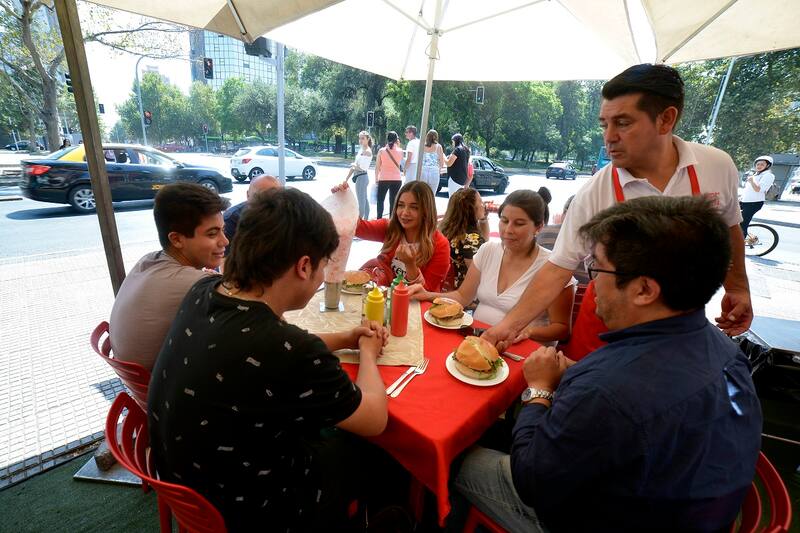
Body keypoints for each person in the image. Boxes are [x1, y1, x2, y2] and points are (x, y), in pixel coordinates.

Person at [452, 196, 762, 533]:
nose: (591, 282)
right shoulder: (729, 354)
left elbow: (531, 480)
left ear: (644, 289)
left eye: (596, 268)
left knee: (459, 458)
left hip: (599, 517)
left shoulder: (607, 391)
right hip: (695, 509)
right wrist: (577, 378)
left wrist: (539, 391)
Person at [149, 188, 389, 532]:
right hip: (249, 509)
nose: (323, 275)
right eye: (324, 265)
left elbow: (270, 350)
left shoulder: (204, 290)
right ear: (304, 266)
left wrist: (344, 338)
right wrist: (366, 353)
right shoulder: (287, 347)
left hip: (185, 489)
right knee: (368, 450)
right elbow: (374, 418)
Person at [483, 63, 753, 356]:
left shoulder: (717, 165)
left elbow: (729, 227)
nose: (609, 137)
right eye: (604, 124)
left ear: (666, 119)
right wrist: (506, 327)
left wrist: (737, 288)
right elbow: (557, 269)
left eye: (623, 123)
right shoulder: (595, 191)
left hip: (680, 325)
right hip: (607, 321)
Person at [413, 189, 573, 345]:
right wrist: (427, 294)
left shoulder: (553, 267)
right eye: (504, 221)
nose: (508, 230)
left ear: (538, 227)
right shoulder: (488, 250)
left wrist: (526, 332)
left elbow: (562, 328)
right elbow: (462, 296)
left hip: (523, 349)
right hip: (478, 341)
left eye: (519, 224)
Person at [109, 183, 230, 370]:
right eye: (212, 233)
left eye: (223, 229)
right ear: (177, 239)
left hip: (139, 384)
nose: (225, 241)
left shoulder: (148, 261)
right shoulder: (197, 284)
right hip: (166, 392)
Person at [437, 188, 489, 289]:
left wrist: (483, 219)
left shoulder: (446, 230)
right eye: (480, 201)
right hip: (464, 294)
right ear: (471, 208)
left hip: (445, 287)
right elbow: (476, 273)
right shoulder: (471, 238)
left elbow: (484, 242)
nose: (484, 205)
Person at [536, 195, 589, 285]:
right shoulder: (593, 239)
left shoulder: (542, 231)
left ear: (564, 214)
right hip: (582, 291)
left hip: (541, 285)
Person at [222, 174, 281, 255]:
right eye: (261, 197)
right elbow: (225, 262)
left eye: (275, 196)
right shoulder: (231, 220)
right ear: (248, 195)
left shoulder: (287, 215)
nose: (268, 202)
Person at [740, 155, 775, 239]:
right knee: (730, 216)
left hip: (754, 204)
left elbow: (758, 189)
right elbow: (748, 190)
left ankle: (738, 245)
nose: (759, 166)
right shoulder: (756, 175)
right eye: (757, 164)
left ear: (767, 166)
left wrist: (751, 181)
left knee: (743, 224)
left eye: (762, 164)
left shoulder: (768, 175)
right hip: (744, 201)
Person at [343, 131, 373, 219]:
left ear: (368, 139)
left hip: (362, 177)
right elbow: (355, 166)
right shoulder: (361, 150)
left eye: (363, 138)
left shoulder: (367, 151)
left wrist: (354, 165)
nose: (360, 140)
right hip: (361, 177)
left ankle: (360, 223)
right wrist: (346, 178)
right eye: (359, 138)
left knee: (361, 202)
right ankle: (366, 221)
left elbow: (362, 168)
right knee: (364, 200)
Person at [374, 131, 404, 219]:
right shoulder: (400, 151)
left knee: (380, 200)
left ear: (387, 139)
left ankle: (379, 219)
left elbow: (377, 167)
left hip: (384, 178)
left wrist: (376, 179)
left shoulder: (381, 151)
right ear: (396, 140)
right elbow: (400, 163)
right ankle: (391, 221)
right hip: (397, 179)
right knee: (393, 201)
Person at [420, 129, 446, 194]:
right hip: (434, 171)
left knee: (422, 193)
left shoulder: (422, 146)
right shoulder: (438, 146)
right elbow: (442, 163)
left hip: (423, 170)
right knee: (432, 194)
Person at [445, 133, 471, 197]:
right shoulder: (466, 150)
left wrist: (443, 157)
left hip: (454, 179)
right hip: (463, 179)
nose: (452, 144)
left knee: (452, 199)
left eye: (452, 142)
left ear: (455, 141)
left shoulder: (457, 150)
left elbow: (449, 163)